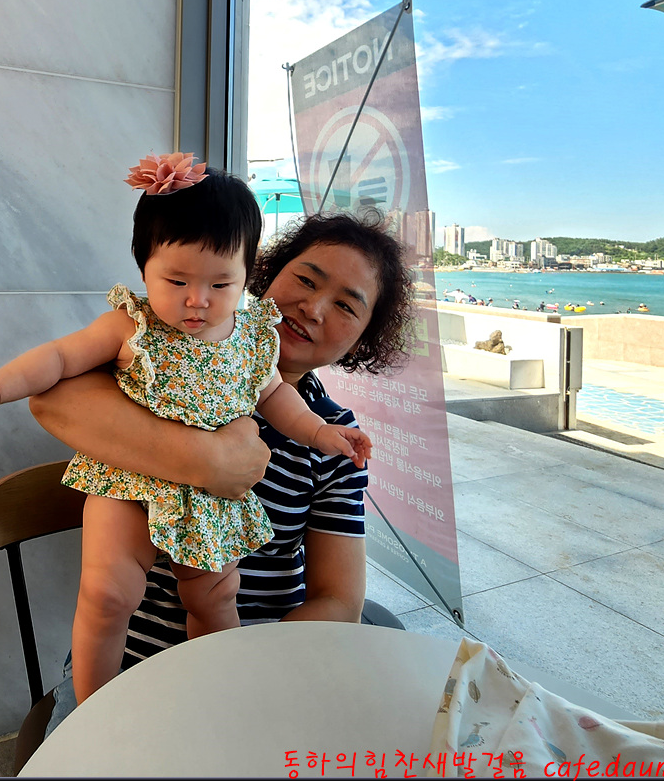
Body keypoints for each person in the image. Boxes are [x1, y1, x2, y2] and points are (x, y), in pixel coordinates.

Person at [0, 153, 371, 703]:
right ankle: (94, 707)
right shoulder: (132, 326)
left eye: (220, 284)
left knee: (215, 599)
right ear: (144, 268)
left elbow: (279, 398)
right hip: (128, 488)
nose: (197, 300)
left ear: (243, 275)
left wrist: (322, 436)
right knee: (107, 594)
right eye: (177, 279)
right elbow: (59, 363)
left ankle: (220, 697)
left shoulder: (251, 343)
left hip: (212, 511)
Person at [29, 208, 417, 724]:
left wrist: (247, 674)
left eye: (346, 305)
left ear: (363, 339)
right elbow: (51, 399)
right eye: (306, 279)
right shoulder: (158, 362)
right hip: (126, 667)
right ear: (261, 272)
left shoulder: (333, 437)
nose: (313, 307)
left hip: (251, 666)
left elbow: (338, 601)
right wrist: (207, 460)